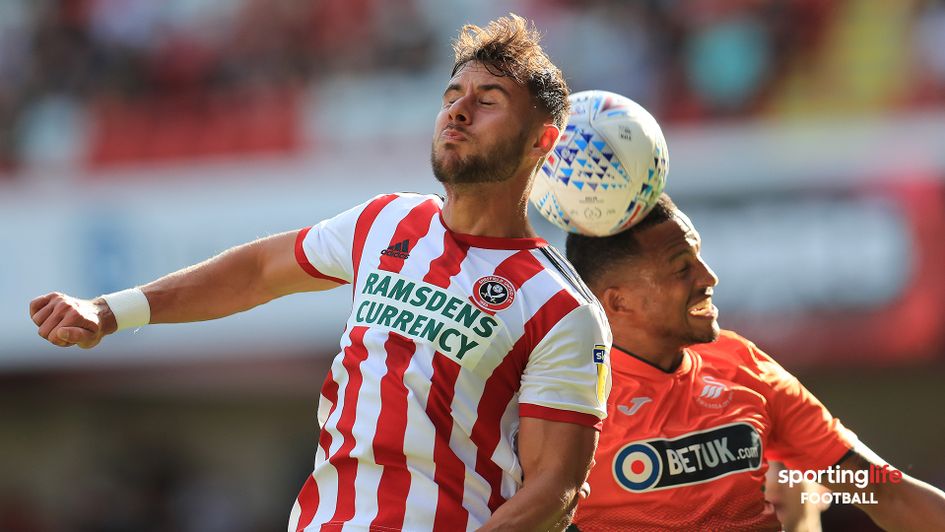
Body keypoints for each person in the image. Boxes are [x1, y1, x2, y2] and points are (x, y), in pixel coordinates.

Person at [29, 15, 611, 532]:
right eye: (452, 93)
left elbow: (551, 493)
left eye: (488, 99)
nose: (458, 109)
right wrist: (109, 311)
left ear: (544, 140)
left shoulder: (561, 307)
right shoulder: (386, 221)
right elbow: (257, 270)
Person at [564, 193, 945, 531]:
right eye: (682, 269)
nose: (708, 277)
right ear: (618, 302)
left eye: (699, 257)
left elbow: (882, 491)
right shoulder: (564, 397)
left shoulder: (742, 364)